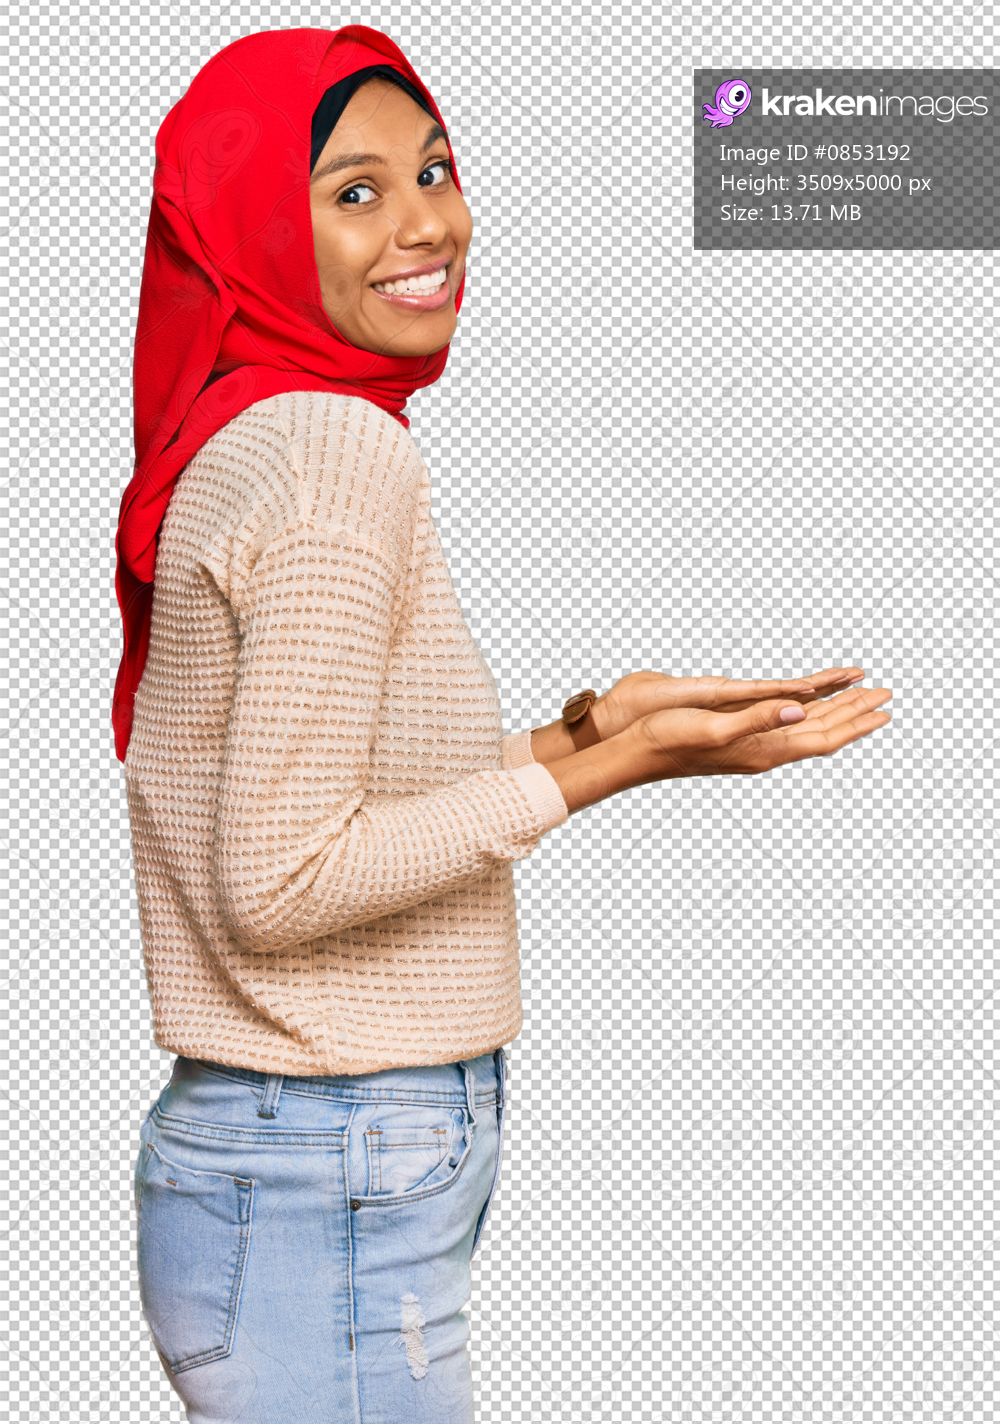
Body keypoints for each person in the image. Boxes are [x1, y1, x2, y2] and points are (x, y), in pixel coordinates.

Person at [114, 25, 892, 1424]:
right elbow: (284, 881)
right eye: (353, 191)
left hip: (307, 1164)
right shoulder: (332, 455)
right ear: (249, 235)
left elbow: (333, 798)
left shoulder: (252, 432)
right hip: (324, 1166)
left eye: (436, 167)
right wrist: (606, 775)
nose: (428, 223)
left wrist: (601, 736)